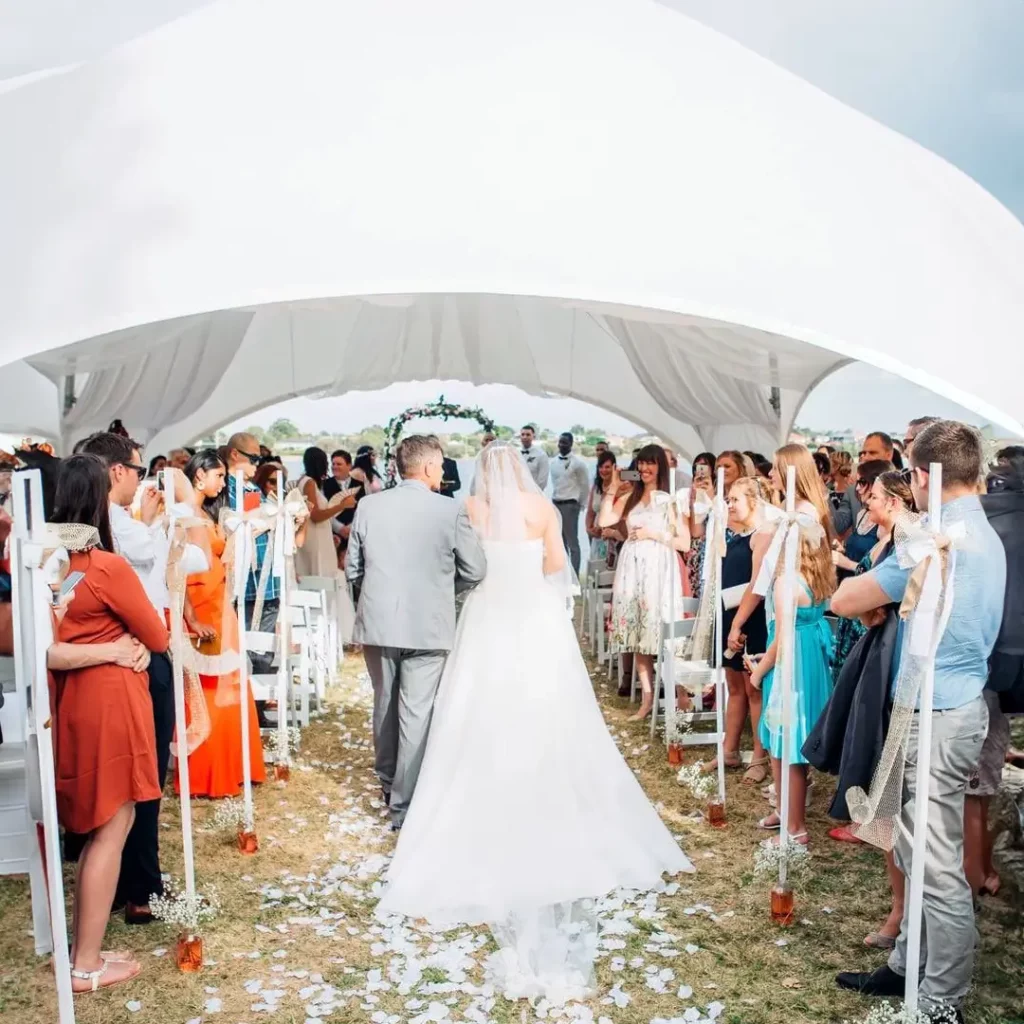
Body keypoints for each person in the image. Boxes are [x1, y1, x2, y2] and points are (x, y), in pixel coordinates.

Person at [375, 442, 693, 1002]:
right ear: (521, 470)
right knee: (547, 701)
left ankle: (478, 791)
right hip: (534, 617)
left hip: (488, 611)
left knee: (477, 703)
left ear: (482, 473)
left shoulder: (469, 510)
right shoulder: (543, 509)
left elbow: (466, 566)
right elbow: (554, 563)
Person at [832, 420, 1006, 1022]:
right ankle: (906, 967)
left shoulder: (942, 540)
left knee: (936, 863)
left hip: (942, 710)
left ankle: (941, 1000)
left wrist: (863, 580)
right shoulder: (980, 530)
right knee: (913, 849)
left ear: (926, 475)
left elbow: (846, 600)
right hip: (944, 702)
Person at [47, 454, 170, 993]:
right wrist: (129, 644)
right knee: (112, 828)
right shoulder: (105, 566)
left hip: (72, 704)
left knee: (95, 829)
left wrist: (126, 644)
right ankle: (87, 965)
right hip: (111, 707)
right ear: (98, 502)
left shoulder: (46, 565)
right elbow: (159, 634)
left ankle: (83, 948)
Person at [78, 431, 206, 925]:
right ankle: (141, 889)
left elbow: (187, 560)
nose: (141, 479)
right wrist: (155, 525)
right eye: (136, 469)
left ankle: (126, 881)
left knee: (130, 777)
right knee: (145, 774)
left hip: (124, 651)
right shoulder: (120, 527)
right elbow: (151, 573)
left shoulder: (98, 523)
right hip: (141, 649)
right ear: (116, 472)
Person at [345, 435, 488, 831]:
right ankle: (403, 806)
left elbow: (353, 568)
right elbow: (475, 570)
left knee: (385, 704)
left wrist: (372, 599)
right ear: (427, 468)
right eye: (441, 465)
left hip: (379, 623)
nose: (443, 472)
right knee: (416, 713)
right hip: (429, 624)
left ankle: (388, 783)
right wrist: (444, 593)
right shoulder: (450, 509)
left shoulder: (369, 505)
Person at [806, 469, 914, 946]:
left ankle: (903, 913)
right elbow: (857, 596)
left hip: (895, 673)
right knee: (882, 789)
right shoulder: (889, 542)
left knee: (891, 797)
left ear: (894, 502)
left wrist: (869, 601)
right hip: (877, 663)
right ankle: (899, 909)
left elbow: (849, 595)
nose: (864, 508)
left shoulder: (912, 543)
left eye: (871, 501)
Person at [178, 449, 267, 799]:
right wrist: (191, 616)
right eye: (218, 475)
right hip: (200, 605)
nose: (222, 482)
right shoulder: (185, 515)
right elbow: (182, 570)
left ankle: (236, 765)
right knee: (206, 693)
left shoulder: (208, 512)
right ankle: (209, 773)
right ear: (199, 475)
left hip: (219, 603)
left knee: (230, 687)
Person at [748, 518, 836, 847]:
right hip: (808, 660)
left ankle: (796, 827)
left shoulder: (787, 582)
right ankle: (785, 812)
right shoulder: (819, 577)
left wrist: (758, 672)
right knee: (782, 739)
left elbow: (783, 641)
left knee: (789, 743)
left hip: (791, 666)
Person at [965, 447, 1024, 898]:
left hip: (980, 670)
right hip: (999, 671)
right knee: (978, 783)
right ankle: (978, 872)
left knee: (976, 785)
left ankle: (975, 875)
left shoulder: (980, 524)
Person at [599, 445, 690, 720]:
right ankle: (647, 699)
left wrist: (653, 534)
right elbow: (605, 520)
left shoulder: (670, 500)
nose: (644, 469)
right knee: (638, 637)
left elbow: (684, 542)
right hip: (633, 569)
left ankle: (681, 696)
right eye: (641, 464)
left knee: (665, 631)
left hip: (660, 569)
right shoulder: (630, 496)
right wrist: (613, 487)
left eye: (650, 464)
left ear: (660, 466)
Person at [717, 477, 771, 784]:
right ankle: (729, 750)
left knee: (754, 689)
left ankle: (759, 757)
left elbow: (757, 584)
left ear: (754, 501)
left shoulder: (761, 535)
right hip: (729, 614)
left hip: (750, 618)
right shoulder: (734, 535)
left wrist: (738, 623)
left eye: (735, 499)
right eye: (728, 500)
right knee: (734, 686)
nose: (730, 505)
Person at [295, 446, 357, 641]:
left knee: (320, 577)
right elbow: (315, 515)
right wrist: (342, 506)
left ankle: (322, 627)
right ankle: (323, 625)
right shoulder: (310, 483)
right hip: (316, 540)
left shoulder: (304, 482)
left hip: (318, 536)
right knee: (321, 576)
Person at [832, 459, 893, 584]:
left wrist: (846, 563)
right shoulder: (862, 514)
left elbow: (881, 572)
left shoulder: (885, 523)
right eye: (857, 482)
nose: (858, 488)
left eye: (862, 482)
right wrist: (844, 551)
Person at [550, 431, 590, 574]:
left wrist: (581, 504)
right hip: (556, 503)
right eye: (560, 442)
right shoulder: (553, 462)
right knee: (560, 542)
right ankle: (563, 573)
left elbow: (585, 485)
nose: (562, 445)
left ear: (571, 444)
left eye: (565, 442)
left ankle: (575, 576)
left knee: (572, 542)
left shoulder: (578, 464)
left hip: (570, 504)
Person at [687, 452, 717, 598]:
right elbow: (696, 531)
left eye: (704, 466)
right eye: (697, 466)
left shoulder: (723, 494)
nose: (700, 470)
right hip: (698, 551)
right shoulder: (690, 493)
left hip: (715, 549)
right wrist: (695, 499)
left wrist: (710, 494)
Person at [585, 451, 619, 563]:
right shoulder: (596, 487)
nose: (603, 470)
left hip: (614, 537)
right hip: (596, 537)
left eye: (607, 467)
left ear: (614, 467)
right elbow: (590, 511)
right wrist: (589, 528)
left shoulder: (620, 487)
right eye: (601, 467)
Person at [519, 424, 550, 490]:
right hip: (519, 494)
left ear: (533, 436)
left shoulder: (541, 455)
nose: (525, 437)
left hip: (534, 494)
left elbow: (542, 481)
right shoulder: (515, 454)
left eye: (528, 435)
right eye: (523, 434)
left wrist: (534, 494)